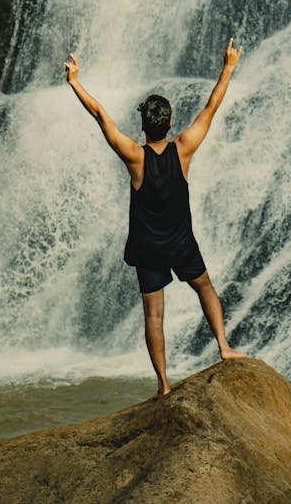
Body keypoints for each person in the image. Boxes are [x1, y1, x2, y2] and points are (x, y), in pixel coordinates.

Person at [64, 38, 246, 397]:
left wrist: (74, 81)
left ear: (144, 127)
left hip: (147, 247)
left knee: (154, 316)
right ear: (170, 123)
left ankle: (163, 385)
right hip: (180, 243)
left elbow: (101, 114)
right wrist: (228, 67)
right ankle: (224, 347)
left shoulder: (134, 155)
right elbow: (210, 108)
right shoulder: (184, 149)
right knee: (205, 287)